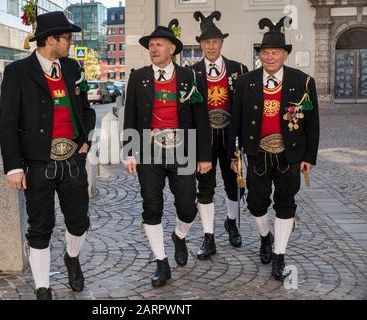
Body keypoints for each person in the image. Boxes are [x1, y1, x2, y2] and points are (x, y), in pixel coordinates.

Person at [0, 11, 96, 299]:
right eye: (67, 37)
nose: (70, 42)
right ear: (51, 39)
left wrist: (85, 141)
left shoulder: (73, 69)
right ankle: (43, 287)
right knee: (39, 226)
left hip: (73, 161)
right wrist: (14, 167)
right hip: (38, 164)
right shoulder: (17, 72)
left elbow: (86, 110)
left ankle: (71, 257)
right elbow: (8, 124)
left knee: (79, 221)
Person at [229, 17, 319, 281]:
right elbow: (235, 120)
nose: (269, 57)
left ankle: (280, 254)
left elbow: (312, 123)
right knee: (257, 204)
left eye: (275, 53)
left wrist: (309, 157)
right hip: (257, 154)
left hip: (290, 153)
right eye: (265, 53)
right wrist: (235, 155)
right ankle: (264, 236)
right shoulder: (246, 82)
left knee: (285, 202)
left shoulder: (302, 82)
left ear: (285, 54)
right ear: (260, 55)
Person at [123, 21, 212, 287]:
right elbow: (130, 115)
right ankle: (161, 262)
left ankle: (179, 235)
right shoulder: (138, 77)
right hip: (149, 149)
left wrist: (204, 156)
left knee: (187, 206)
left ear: (172, 48)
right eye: (150, 45)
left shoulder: (190, 77)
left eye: (159, 44)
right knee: (152, 205)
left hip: (182, 148)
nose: (153, 49)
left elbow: (201, 118)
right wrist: (130, 152)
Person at [191, 11, 249, 259]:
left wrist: (243, 143)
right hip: (204, 140)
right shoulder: (192, 73)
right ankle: (208, 236)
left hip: (230, 137)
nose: (211, 46)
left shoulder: (239, 70)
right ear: (201, 45)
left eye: (215, 42)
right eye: (206, 42)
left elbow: (247, 108)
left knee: (233, 185)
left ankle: (231, 223)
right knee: (205, 187)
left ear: (221, 43)